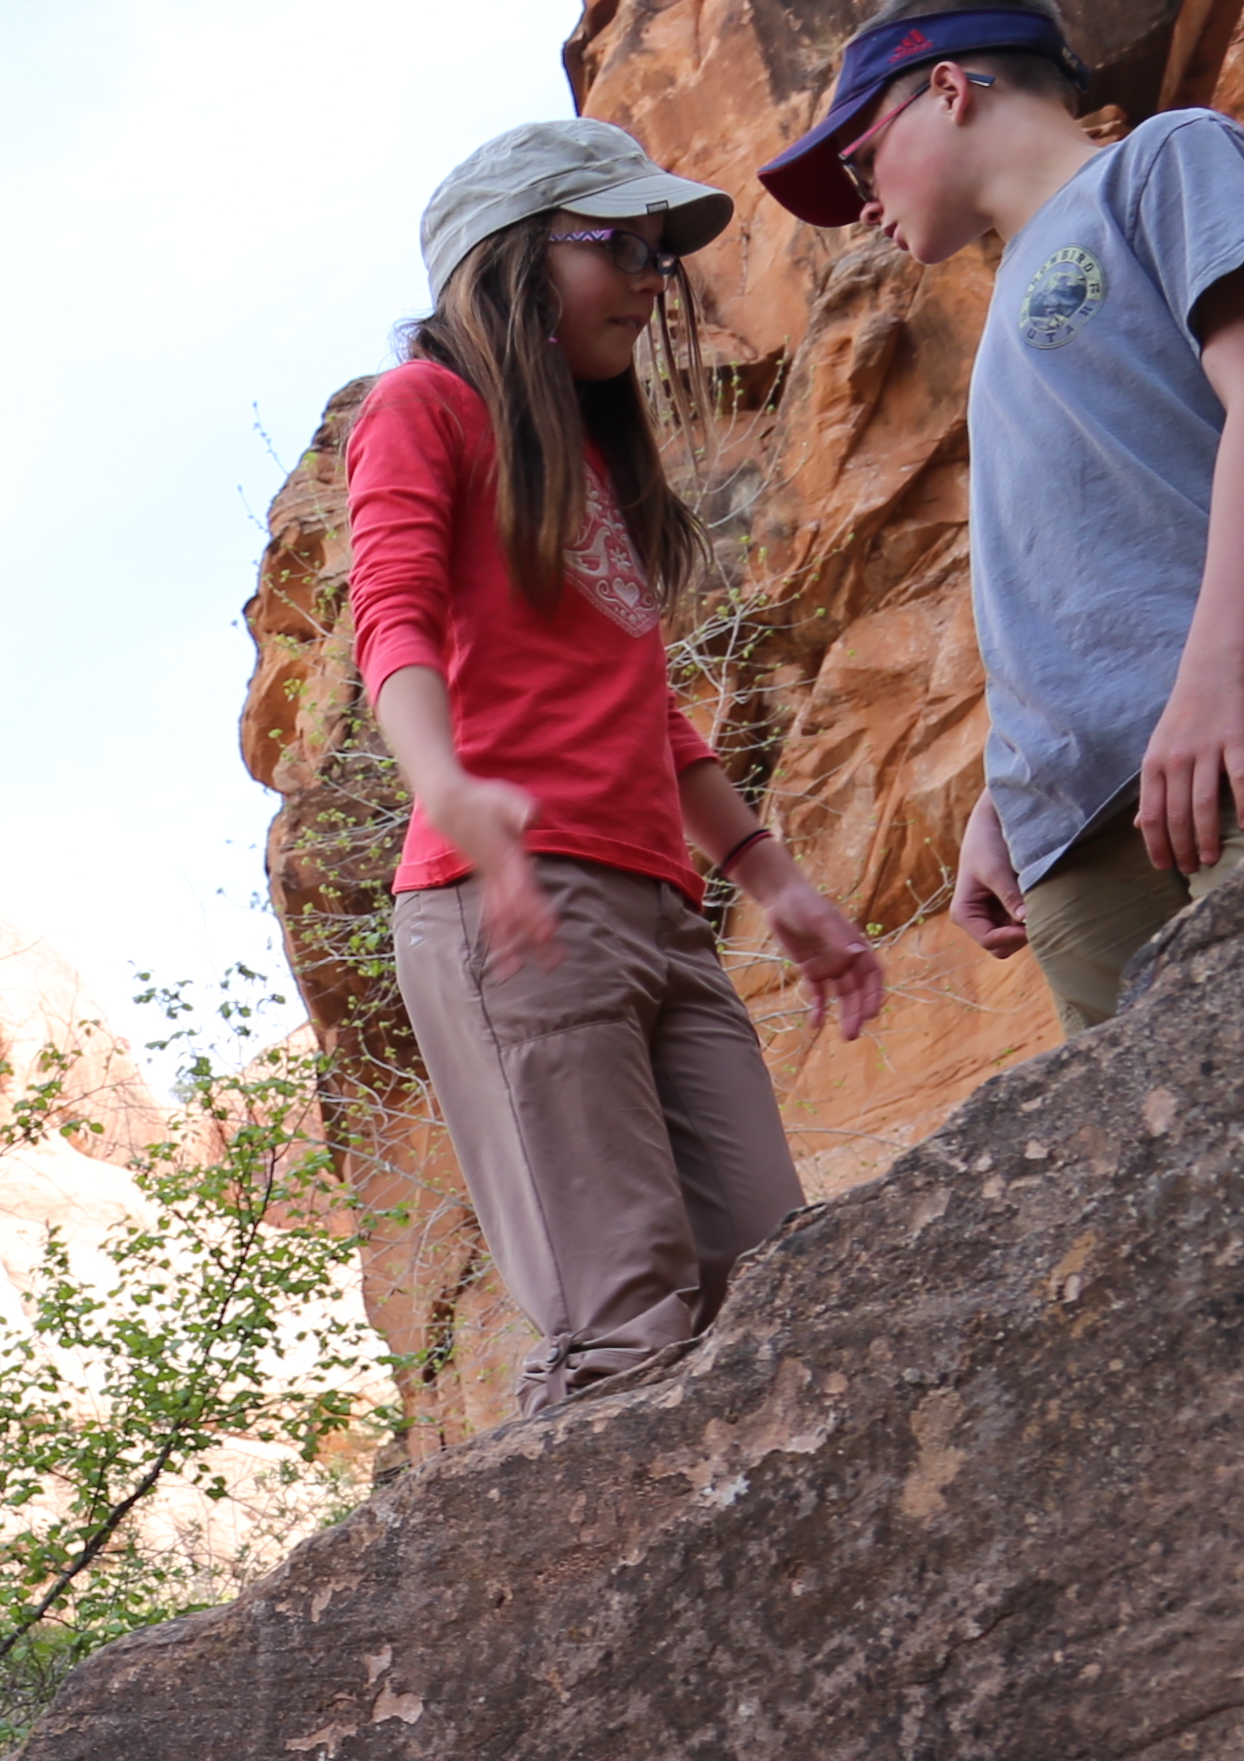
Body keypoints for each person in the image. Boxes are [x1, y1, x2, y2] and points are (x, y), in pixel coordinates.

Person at [355, 120, 890, 1421]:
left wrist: (778, 885)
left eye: (661, 254)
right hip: (518, 903)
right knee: (625, 1320)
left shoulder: (588, 466)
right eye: (621, 247)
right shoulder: (426, 406)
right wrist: (450, 788)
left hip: (660, 916)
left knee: (775, 1276)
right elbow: (394, 621)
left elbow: (650, 719)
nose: (655, 280)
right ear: (511, 258)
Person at [764, 9, 1244, 1028]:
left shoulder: (1162, 160)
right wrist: (1012, 790)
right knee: (1167, 1174)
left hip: (1241, 736)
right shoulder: (1002, 318)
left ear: (951, 89)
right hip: (1066, 830)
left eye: (863, 164)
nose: (862, 208)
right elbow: (1059, 563)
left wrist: (1214, 673)